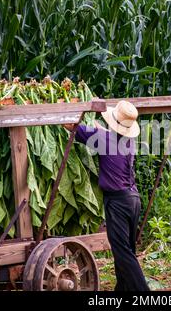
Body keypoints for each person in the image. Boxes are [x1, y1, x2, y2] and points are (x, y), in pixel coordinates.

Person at [63, 100, 150, 291]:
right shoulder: (128, 141)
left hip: (118, 201)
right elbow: (106, 138)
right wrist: (99, 130)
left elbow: (72, 126)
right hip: (133, 199)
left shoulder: (103, 138)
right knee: (126, 249)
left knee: (123, 252)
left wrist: (61, 112)